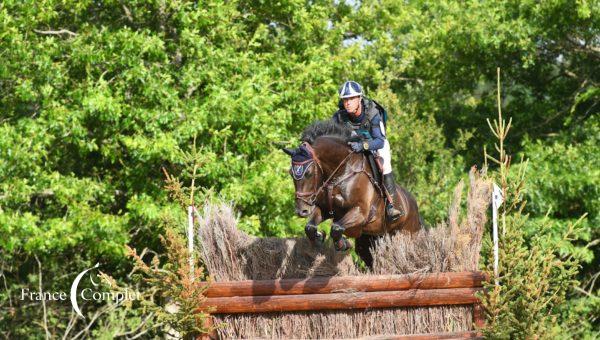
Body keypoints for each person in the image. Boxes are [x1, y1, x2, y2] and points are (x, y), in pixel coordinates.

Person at [332, 80, 404, 220]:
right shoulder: (339, 115)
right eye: (345, 99)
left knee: (385, 163)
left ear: (359, 98)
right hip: (352, 144)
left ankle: (391, 205)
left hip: (375, 143)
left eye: (352, 99)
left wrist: (363, 146)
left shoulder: (373, 112)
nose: (348, 102)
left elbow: (379, 141)